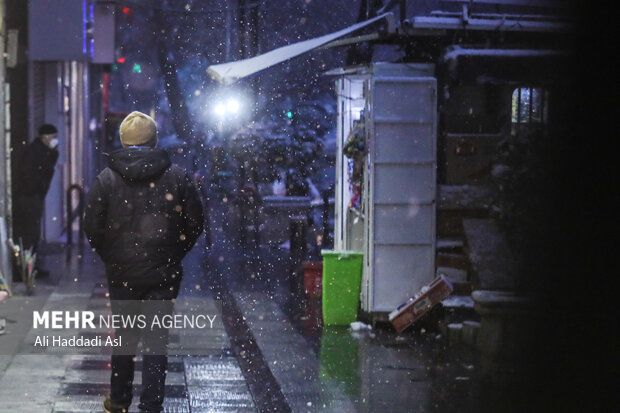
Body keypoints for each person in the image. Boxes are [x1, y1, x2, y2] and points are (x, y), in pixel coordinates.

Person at [83, 111, 203, 413]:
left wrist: (111, 256)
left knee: (124, 337)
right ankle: (151, 404)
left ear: (123, 142)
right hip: (163, 272)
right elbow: (195, 222)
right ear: (154, 140)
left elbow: (92, 226)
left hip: (123, 272)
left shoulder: (106, 179)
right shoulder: (177, 176)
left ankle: (120, 399)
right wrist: (175, 252)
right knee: (156, 341)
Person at [12, 124, 59, 280]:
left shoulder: (45, 152)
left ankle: (30, 267)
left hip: (33, 198)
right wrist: (35, 191)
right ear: (45, 138)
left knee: (32, 234)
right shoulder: (34, 152)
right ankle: (24, 269)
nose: (55, 141)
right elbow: (30, 175)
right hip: (28, 199)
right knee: (28, 234)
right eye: (53, 137)